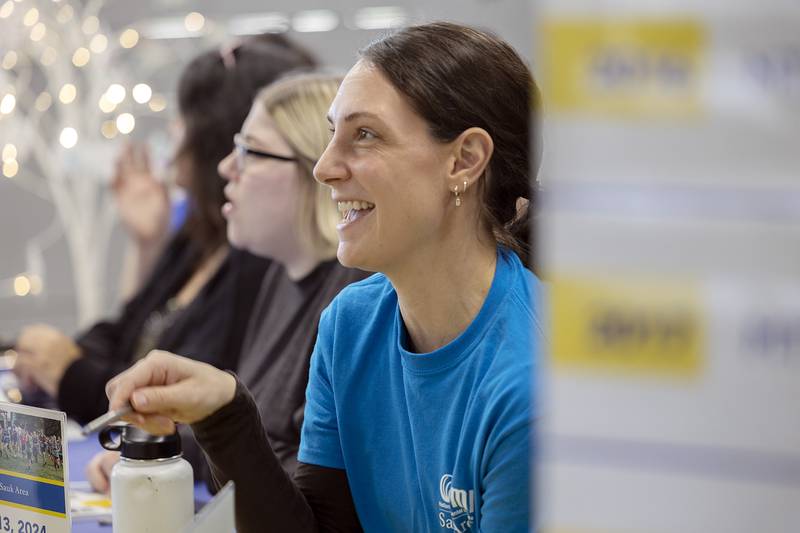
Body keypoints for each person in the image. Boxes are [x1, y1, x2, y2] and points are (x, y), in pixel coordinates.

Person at [106, 21, 542, 533]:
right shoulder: (349, 324)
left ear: (464, 160)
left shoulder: (532, 384)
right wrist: (225, 413)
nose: (324, 167)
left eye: (365, 135)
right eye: (333, 133)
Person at [86, 72, 368, 491]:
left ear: (316, 169)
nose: (226, 167)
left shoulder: (356, 294)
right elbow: (259, 439)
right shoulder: (281, 276)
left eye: (250, 151)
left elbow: (306, 480)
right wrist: (166, 445)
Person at [13, 34, 316, 424]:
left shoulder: (263, 264)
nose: (174, 131)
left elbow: (189, 403)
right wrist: (147, 244)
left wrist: (71, 374)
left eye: (185, 118)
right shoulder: (199, 238)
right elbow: (124, 337)